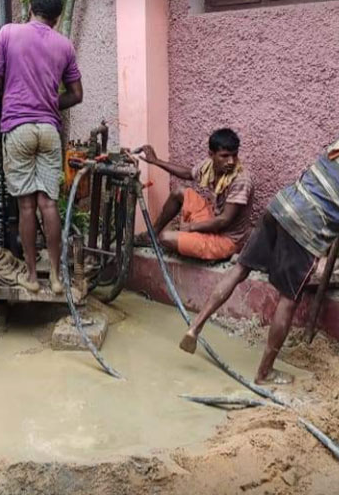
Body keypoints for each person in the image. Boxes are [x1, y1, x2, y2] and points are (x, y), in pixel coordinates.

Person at [179, 139, 339, 384]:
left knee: (240, 268)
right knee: (289, 299)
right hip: (307, 228)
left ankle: (195, 327)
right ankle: (265, 372)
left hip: (280, 206)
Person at [0, 0, 83, 294]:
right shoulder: (64, 45)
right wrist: (50, 103)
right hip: (49, 131)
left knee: (26, 207)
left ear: (30, 8)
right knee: (48, 204)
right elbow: (76, 94)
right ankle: (55, 277)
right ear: (57, 17)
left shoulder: (8, 33)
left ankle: (31, 277)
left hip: (18, 129)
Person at [135, 129, 254, 261]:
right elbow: (188, 174)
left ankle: (213, 250)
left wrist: (191, 228)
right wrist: (156, 161)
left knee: (165, 238)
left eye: (234, 155)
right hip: (214, 220)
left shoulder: (241, 179)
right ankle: (150, 236)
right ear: (211, 154)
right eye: (225, 156)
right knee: (179, 192)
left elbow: (224, 220)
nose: (231, 161)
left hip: (227, 239)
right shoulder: (210, 166)